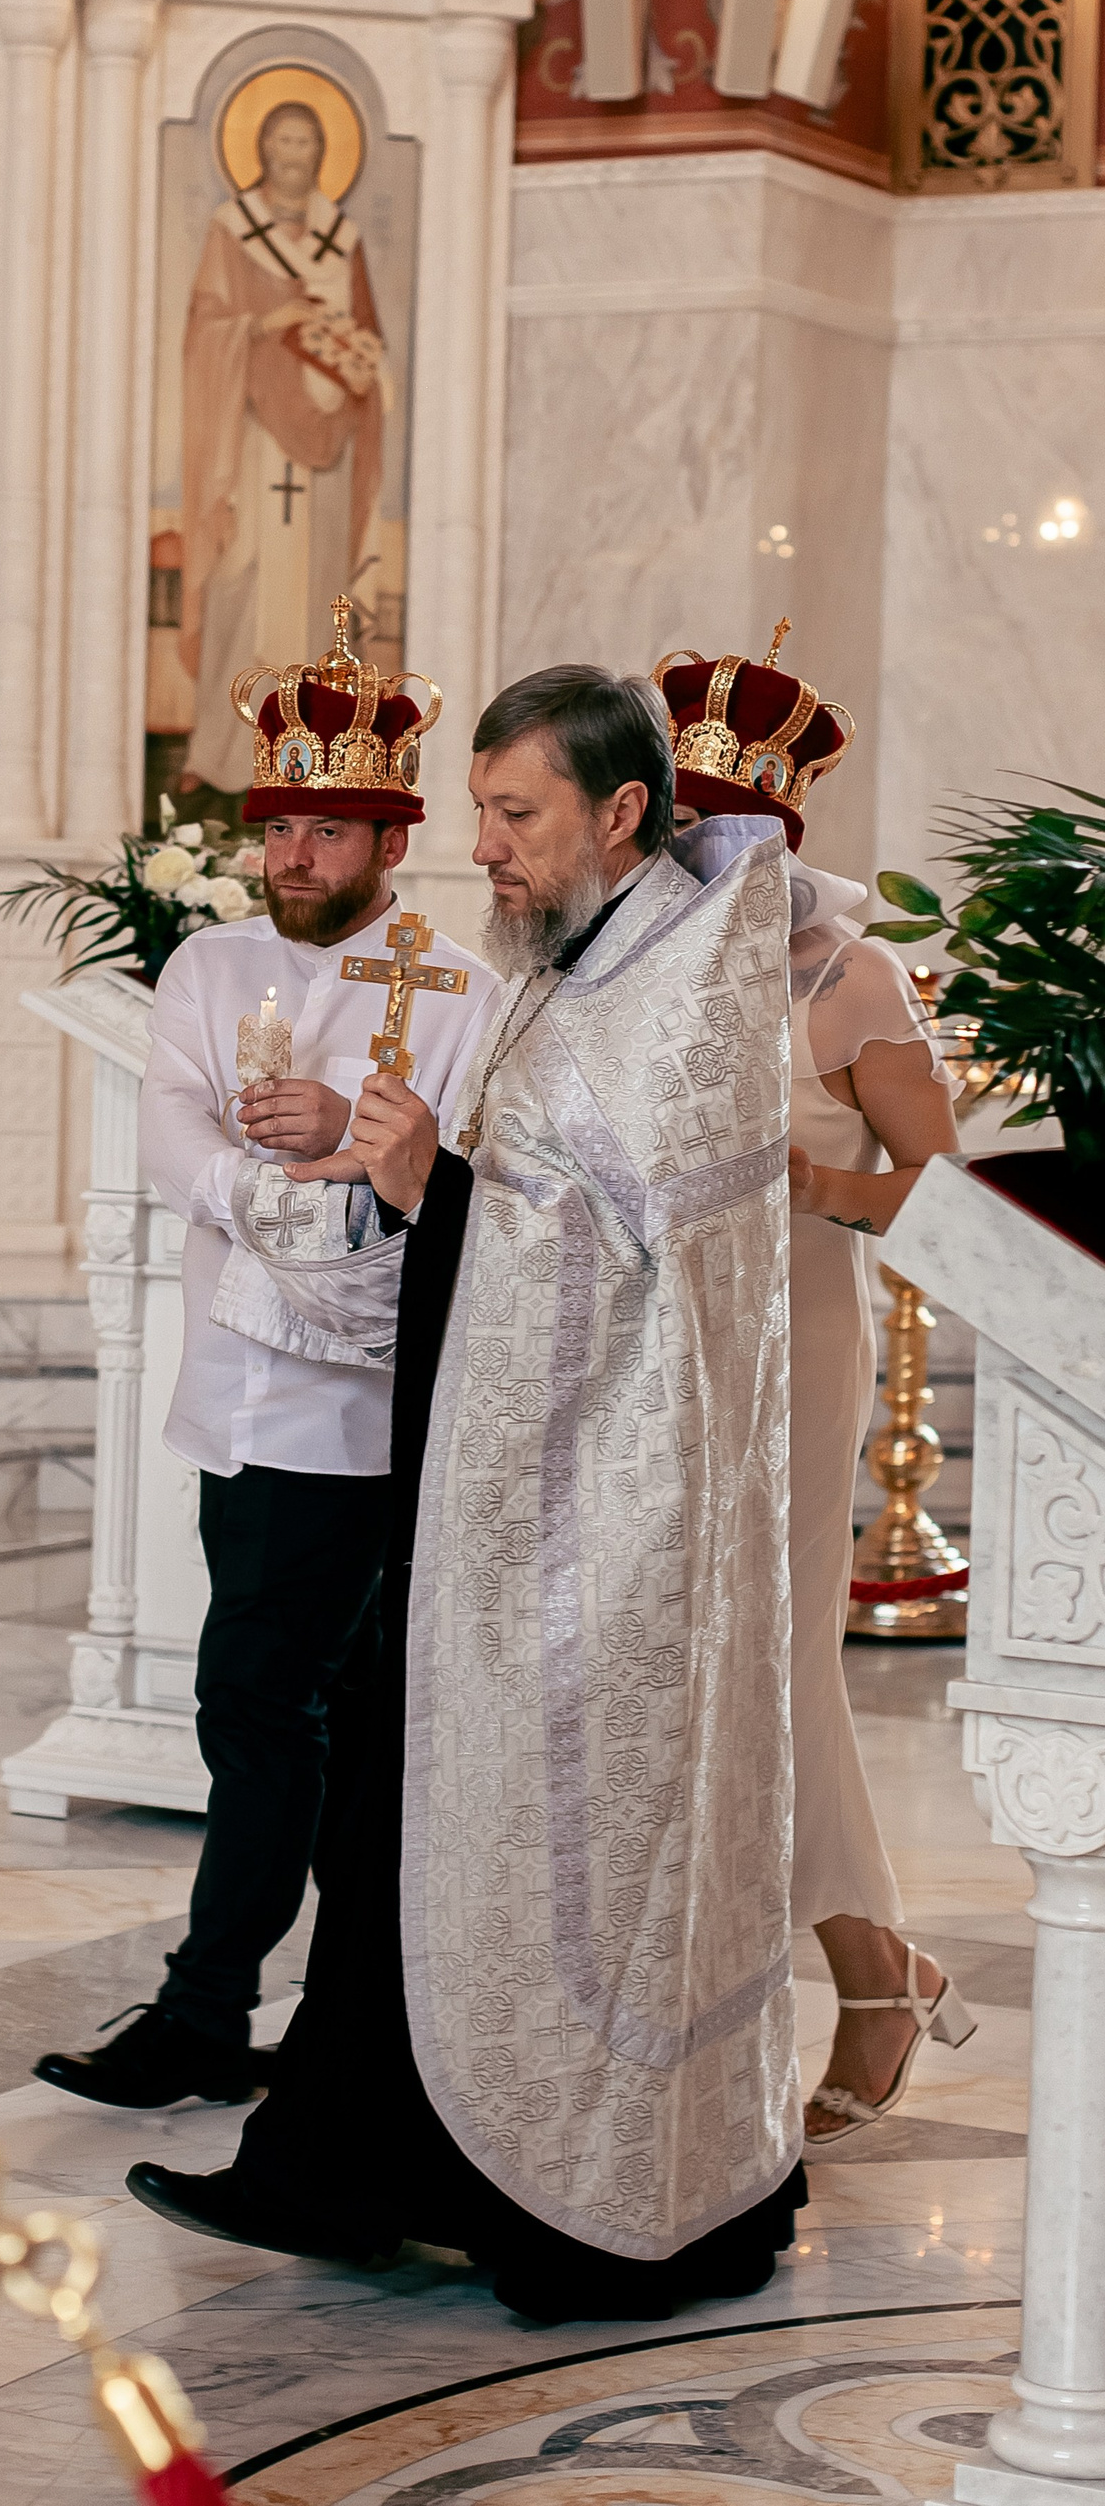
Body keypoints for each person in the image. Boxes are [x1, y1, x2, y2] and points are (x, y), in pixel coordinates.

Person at [129, 664, 807, 2318]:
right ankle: (346, 2165)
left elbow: (641, 1276)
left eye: (515, 815)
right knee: (397, 1808)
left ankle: (501, 2187)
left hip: (606, 1535)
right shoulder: (587, 959)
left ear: (621, 812)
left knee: (457, 1824)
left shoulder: (675, 991)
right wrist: (444, 1177)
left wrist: (435, 1181)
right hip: (517, 1499)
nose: (484, 848)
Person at [33, 599, 496, 2111]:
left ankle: (215, 2007)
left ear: (392, 839)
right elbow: (173, 1127)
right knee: (297, 1706)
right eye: (280, 826)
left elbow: (465, 1177)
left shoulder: (463, 989)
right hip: (237, 1394)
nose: (294, 856)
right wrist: (263, 1183)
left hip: (365, 1411)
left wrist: (345, 1146)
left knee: (275, 1705)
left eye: (328, 832)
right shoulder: (212, 967)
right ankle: (323, 2014)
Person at [652, 630, 973, 2150]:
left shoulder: (850, 976)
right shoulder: (633, 960)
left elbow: (953, 1197)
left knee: (773, 1665)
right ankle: (815, 1978)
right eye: (681, 825)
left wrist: (814, 1183)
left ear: (778, 834)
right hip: (651, 1350)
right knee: (692, 1668)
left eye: (726, 830)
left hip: (795, 1339)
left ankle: (870, 1976)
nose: (700, 857)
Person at [178, 99, 387, 804]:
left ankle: (313, 754)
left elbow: (367, 338)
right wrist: (269, 322)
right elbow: (205, 328)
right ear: (262, 149)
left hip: (325, 445)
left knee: (318, 591)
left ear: (322, 153)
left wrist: (352, 364)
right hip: (253, 439)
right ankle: (221, 751)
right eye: (282, 139)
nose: (293, 153)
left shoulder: (341, 239)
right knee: (242, 575)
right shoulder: (232, 229)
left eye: (305, 140)